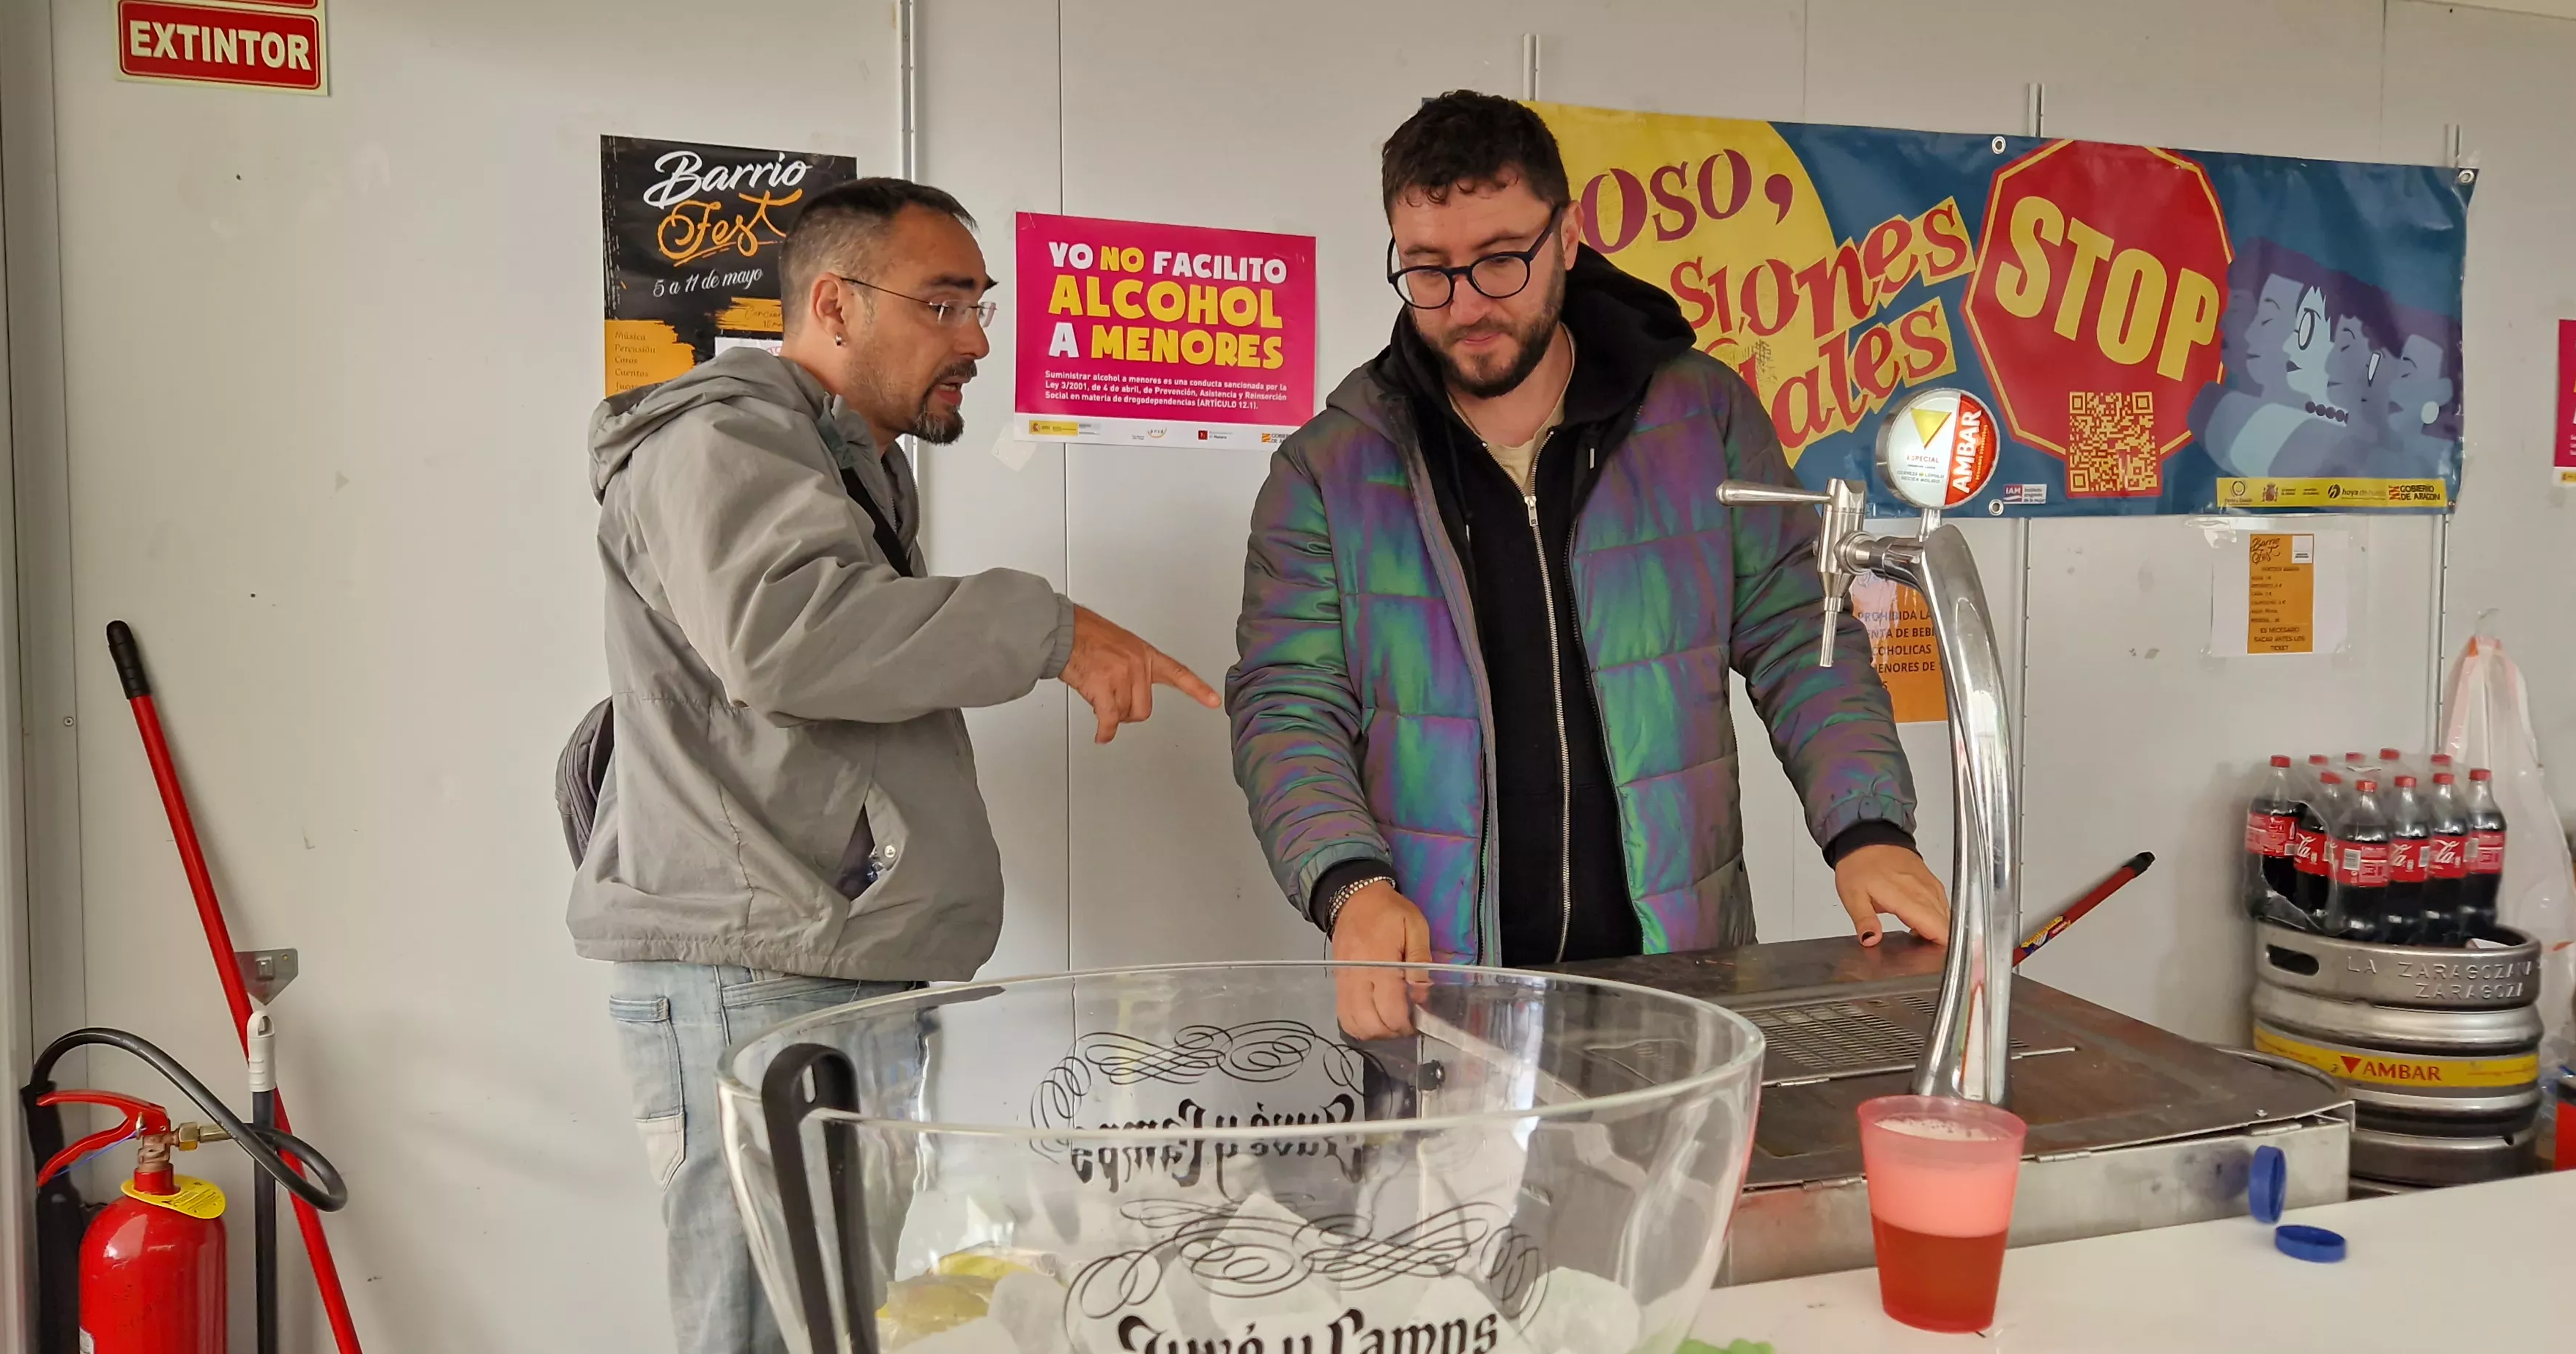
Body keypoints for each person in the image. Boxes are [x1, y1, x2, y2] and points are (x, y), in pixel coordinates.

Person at [565, 177, 1217, 1354]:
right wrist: (1052, 631)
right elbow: (789, 638)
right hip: (761, 968)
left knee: (830, 1326)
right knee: (771, 1330)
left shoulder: (844, 460)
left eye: (983, 304)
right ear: (835, 304)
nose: (975, 338)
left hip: (812, 959)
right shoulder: (724, 436)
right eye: (945, 303)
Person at [1226, 93, 1949, 1037]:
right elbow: (1287, 702)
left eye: (1501, 261)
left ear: (1566, 237)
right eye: (1430, 272)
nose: (1468, 304)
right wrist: (1346, 882)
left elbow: (1796, 632)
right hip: (1444, 993)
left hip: (1678, 973)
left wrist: (1867, 830)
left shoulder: (1701, 416)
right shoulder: (1330, 468)